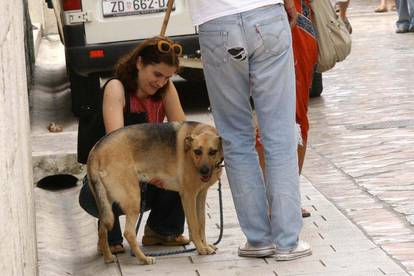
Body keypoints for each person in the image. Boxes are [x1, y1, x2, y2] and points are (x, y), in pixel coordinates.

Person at [187, 0, 312, 260]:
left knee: (234, 138)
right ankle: (288, 240)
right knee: (279, 133)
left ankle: (258, 239)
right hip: (266, 14)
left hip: (215, 21)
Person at [78, 36, 190, 254]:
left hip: (150, 173)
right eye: (156, 74)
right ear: (139, 63)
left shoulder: (165, 90)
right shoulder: (116, 88)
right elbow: (117, 147)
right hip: (113, 174)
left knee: (187, 164)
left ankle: (162, 230)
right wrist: (148, 170)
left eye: (167, 78)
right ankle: (109, 235)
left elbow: (185, 135)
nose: (160, 83)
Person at [255, 0, 318, 219]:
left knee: (296, 117)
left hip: (295, 25)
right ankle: (276, 197)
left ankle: (286, 196)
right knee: (271, 115)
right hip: (272, 21)